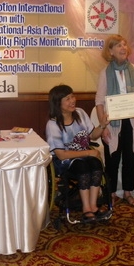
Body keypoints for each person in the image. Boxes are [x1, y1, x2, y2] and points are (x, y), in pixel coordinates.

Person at [95, 34, 134, 207]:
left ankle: (127, 192)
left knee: (131, 159)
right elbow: (100, 101)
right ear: (110, 51)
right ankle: (110, 193)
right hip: (113, 124)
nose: (123, 48)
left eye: (124, 44)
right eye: (118, 45)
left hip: (133, 121)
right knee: (113, 160)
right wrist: (103, 126)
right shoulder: (105, 73)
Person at [45, 85, 109, 221]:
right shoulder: (53, 124)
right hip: (64, 162)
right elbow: (61, 155)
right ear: (58, 103)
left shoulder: (80, 113)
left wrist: (103, 125)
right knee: (83, 168)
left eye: (72, 96)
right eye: (67, 99)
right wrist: (88, 153)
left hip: (84, 155)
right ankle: (86, 208)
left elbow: (93, 136)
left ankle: (94, 207)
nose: (72, 100)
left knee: (96, 166)